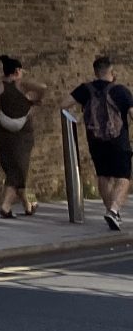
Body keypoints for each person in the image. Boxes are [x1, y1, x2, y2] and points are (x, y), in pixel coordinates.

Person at [0, 55, 44, 218]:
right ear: (17, 71)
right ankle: (6, 206)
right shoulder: (23, 87)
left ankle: (29, 203)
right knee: (18, 171)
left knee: (17, 171)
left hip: (2, 134)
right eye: (21, 71)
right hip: (22, 136)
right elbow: (42, 88)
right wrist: (35, 97)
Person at [71, 55, 133, 232]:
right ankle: (114, 210)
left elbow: (64, 104)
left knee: (104, 175)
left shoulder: (85, 89)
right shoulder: (120, 90)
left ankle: (110, 211)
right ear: (111, 72)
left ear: (95, 72)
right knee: (123, 177)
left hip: (95, 140)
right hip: (118, 140)